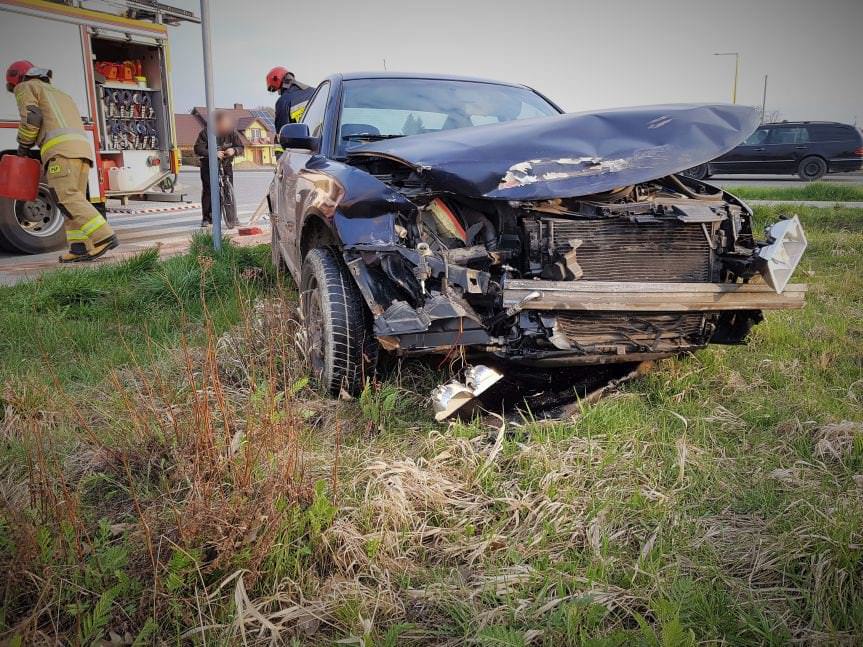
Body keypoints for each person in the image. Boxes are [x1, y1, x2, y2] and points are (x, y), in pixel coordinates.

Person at [6, 60, 118, 263]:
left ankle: (104, 236)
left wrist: (23, 147)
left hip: (60, 152)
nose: (14, 90)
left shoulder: (26, 86)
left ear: (17, 78)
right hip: (81, 151)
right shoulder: (59, 93)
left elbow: (32, 118)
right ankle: (79, 247)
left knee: (66, 197)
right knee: (72, 200)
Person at [193, 110, 244, 229]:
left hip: (226, 165)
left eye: (228, 123)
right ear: (217, 123)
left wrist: (234, 150)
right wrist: (213, 153)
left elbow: (241, 147)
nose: (226, 126)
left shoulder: (231, 133)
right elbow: (198, 149)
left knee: (229, 191)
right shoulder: (206, 133)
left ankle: (232, 218)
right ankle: (207, 218)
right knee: (209, 190)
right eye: (224, 123)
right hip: (209, 166)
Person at [266, 67, 316, 134]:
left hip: (302, 139)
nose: (278, 93)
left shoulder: (283, 101)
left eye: (276, 89)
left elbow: (282, 132)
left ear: (277, 82)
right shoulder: (315, 91)